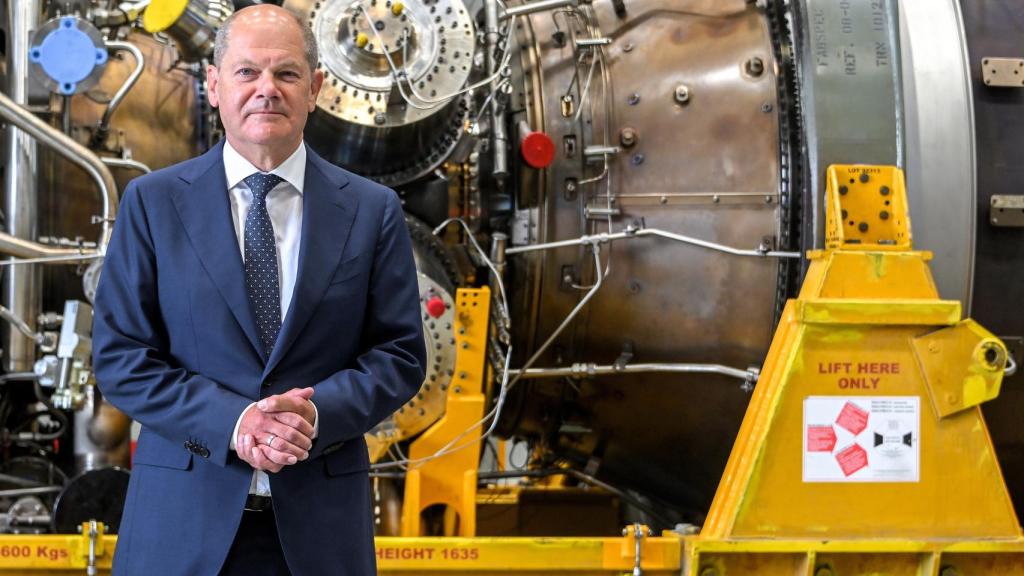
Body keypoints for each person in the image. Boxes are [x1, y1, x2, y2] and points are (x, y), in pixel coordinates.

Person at [91, 5, 426, 575]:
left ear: (315, 88)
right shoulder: (152, 204)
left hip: (319, 535)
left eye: (287, 74)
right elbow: (122, 359)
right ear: (215, 86)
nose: (266, 89)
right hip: (181, 531)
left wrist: (314, 418)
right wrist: (236, 421)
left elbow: (398, 355)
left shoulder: (372, 211)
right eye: (247, 72)